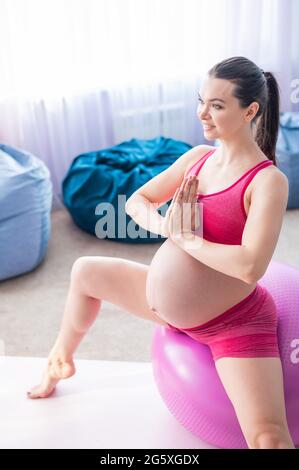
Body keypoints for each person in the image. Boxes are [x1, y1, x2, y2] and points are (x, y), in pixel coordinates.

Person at [27, 56, 295, 449]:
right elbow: (138, 200)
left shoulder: (268, 181)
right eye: (200, 100)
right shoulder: (197, 159)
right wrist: (167, 226)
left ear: (250, 110)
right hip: (161, 303)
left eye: (217, 106)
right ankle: (61, 359)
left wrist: (186, 239)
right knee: (85, 270)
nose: (202, 113)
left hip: (231, 324)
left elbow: (250, 267)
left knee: (268, 436)